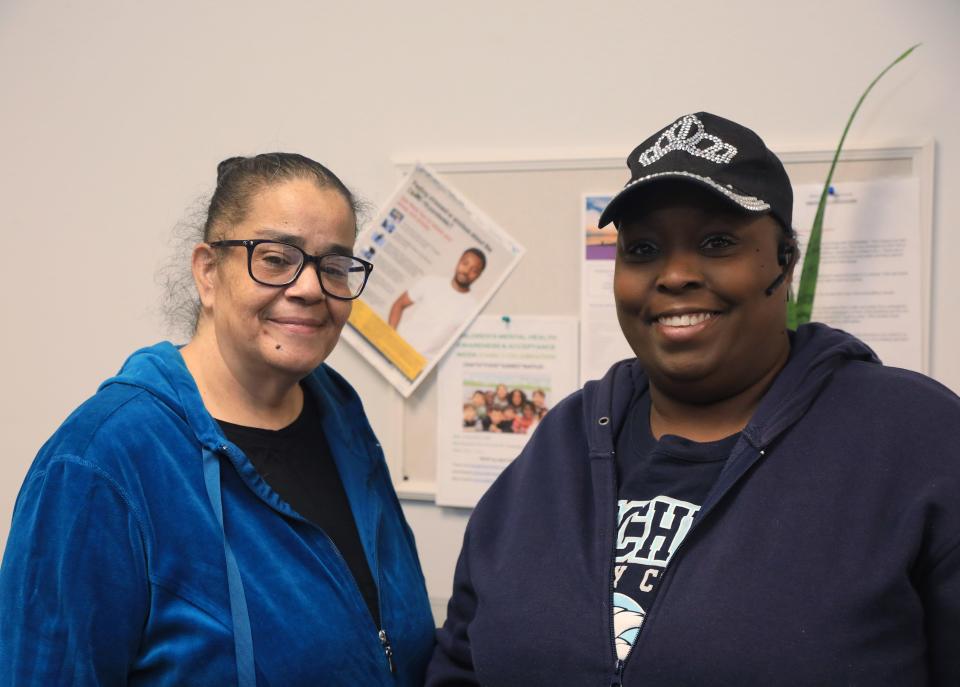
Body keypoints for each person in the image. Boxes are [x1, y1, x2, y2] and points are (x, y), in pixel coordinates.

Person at [426, 113, 960, 686]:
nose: (675, 274)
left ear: (785, 262)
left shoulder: (914, 437)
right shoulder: (562, 440)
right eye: (644, 249)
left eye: (717, 242)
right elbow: (462, 661)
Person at [0, 153, 435, 686]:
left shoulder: (340, 418)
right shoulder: (99, 462)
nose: (310, 288)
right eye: (276, 258)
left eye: (334, 265)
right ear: (208, 272)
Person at [388, 247, 487, 358]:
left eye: (474, 270)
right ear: (459, 261)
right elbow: (399, 304)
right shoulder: (431, 282)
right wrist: (391, 338)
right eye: (465, 263)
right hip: (397, 346)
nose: (466, 271)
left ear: (478, 275)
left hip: (422, 364)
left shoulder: (473, 309)